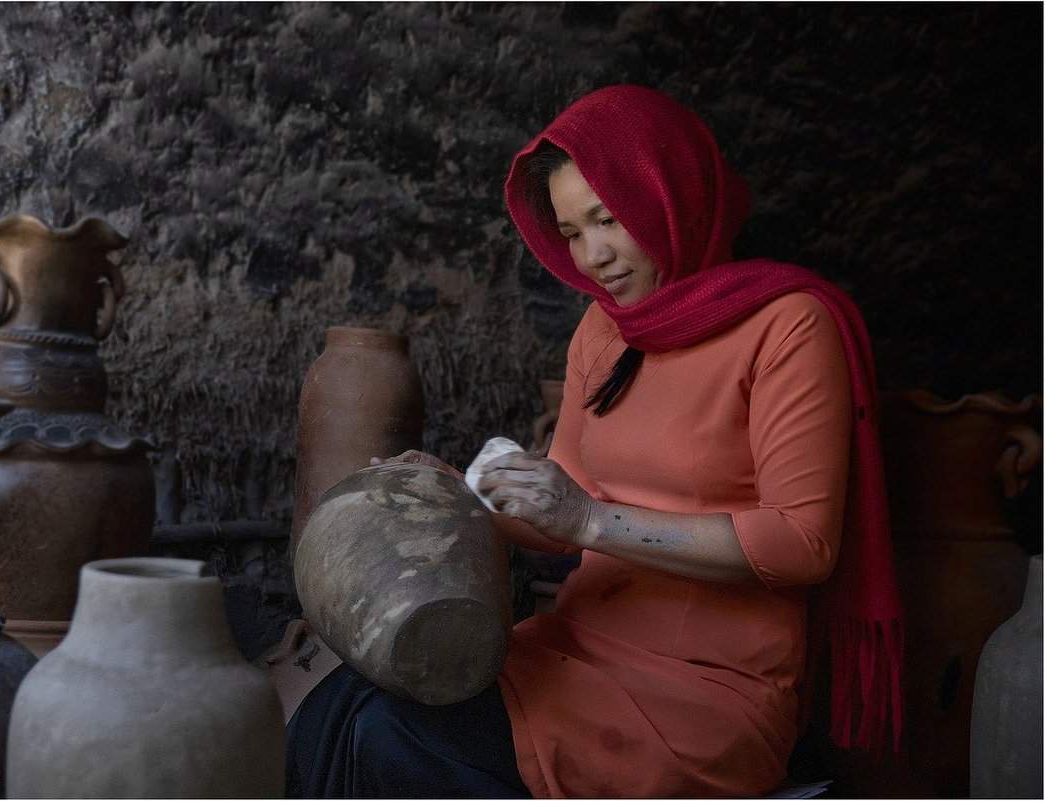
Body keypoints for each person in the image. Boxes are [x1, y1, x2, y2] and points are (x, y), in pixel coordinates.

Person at [286, 85, 903, 798]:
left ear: (668, 194)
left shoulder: (788, 328)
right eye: (574, 231)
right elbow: (558, 510)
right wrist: (451, 491)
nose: (594, 256)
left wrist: (591, 520)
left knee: (394, 736)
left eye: (609, 219)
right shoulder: (605, 331)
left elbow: (803, 545)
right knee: (341, 706)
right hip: (578, 644)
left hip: (705, 690)